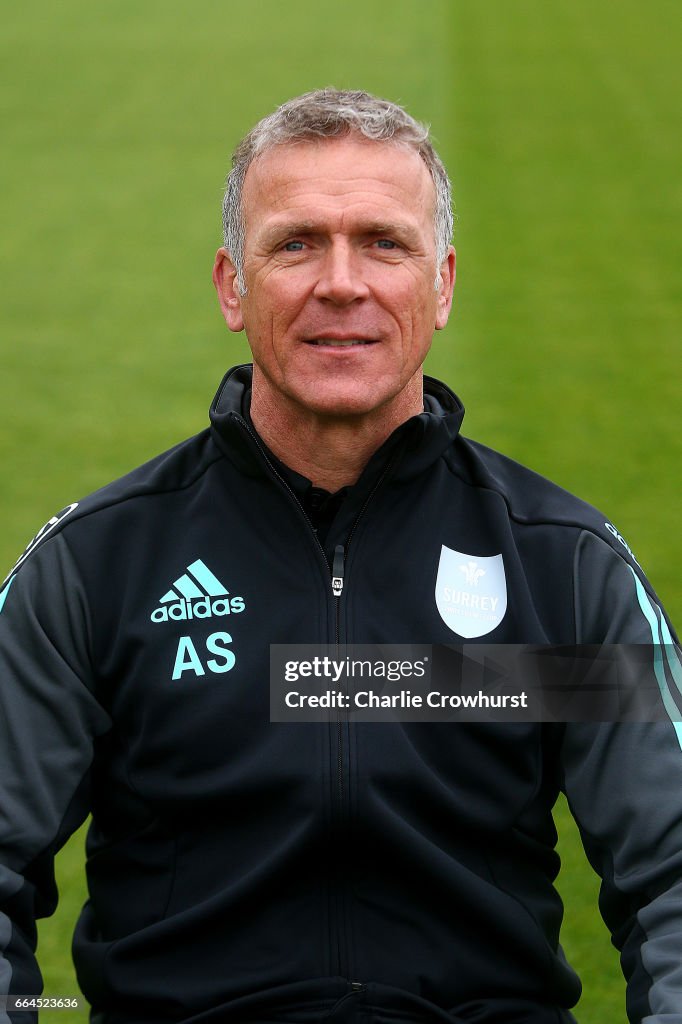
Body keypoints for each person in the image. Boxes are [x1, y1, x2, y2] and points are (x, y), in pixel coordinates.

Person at [0, 88, 681, 1024]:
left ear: (441, 285)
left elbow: (675, 872)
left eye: (383, 242)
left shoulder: (559, 569)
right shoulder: (97, 569)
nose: (341, 282)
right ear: (233, 287)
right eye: (296, 243)